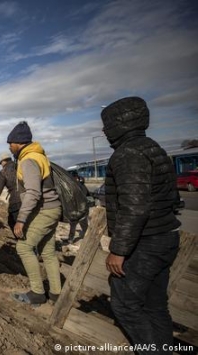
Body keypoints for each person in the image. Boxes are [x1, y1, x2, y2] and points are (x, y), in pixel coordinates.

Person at [101, 97, 181, 351]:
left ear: (119, 124)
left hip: (144, 243)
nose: (104, 131)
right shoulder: (152, 148)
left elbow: (135, 208)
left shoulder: (128, 154)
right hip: (164, 237)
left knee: (125, 304)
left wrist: (119, 250)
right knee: (155, 305)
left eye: (107, 124)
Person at [7, 121, 62, 306]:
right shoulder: (39, 156)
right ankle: (56, 294)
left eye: (10, 143)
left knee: (23, 248)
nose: (9, 147)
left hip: (45, 210)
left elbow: (33, 193)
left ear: (18, 142)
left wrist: (21, 220)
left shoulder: (29, 159)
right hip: (52, 208)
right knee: (48, 252)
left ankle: (37, 293)